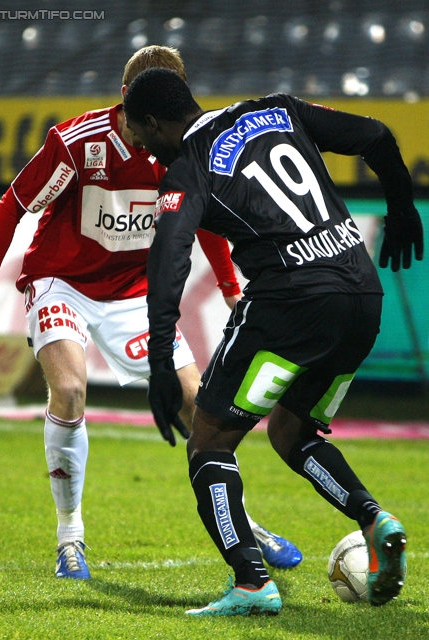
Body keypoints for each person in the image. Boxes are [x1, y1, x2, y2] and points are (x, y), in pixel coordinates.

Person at [0, 46, 302, 581]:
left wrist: (229, 287)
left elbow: (207, 221)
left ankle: (245, 525)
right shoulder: (78, 146)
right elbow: (13, 206)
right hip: (62, 284)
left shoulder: (186, 147)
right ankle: (70, 536)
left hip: (134, 294)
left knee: (199, 406)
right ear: (129, 99)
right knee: (71, 390)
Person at [123, 67, 424, 615]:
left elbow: (168, 258)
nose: (146, 152)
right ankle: (374, 518)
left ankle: (250, 582)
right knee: (291, 428)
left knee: (209, 439)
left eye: (143, 141)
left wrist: (162, 362)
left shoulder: (189, 167)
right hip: (361, 293)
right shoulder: (278, 109)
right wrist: (401, 206)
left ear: (154, 122)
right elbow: (377, 135)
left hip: (290, 300)